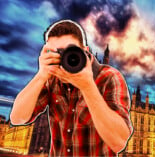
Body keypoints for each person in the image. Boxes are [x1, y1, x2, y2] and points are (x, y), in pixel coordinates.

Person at [10, 19, 133, 156]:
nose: (65, 58)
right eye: (58, 53)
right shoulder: (52, 80)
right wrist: (41, 75)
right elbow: (17, 119)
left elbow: (119, 143)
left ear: (85, 51)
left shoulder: (109, 77)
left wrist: (87, 87)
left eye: (70, 51)